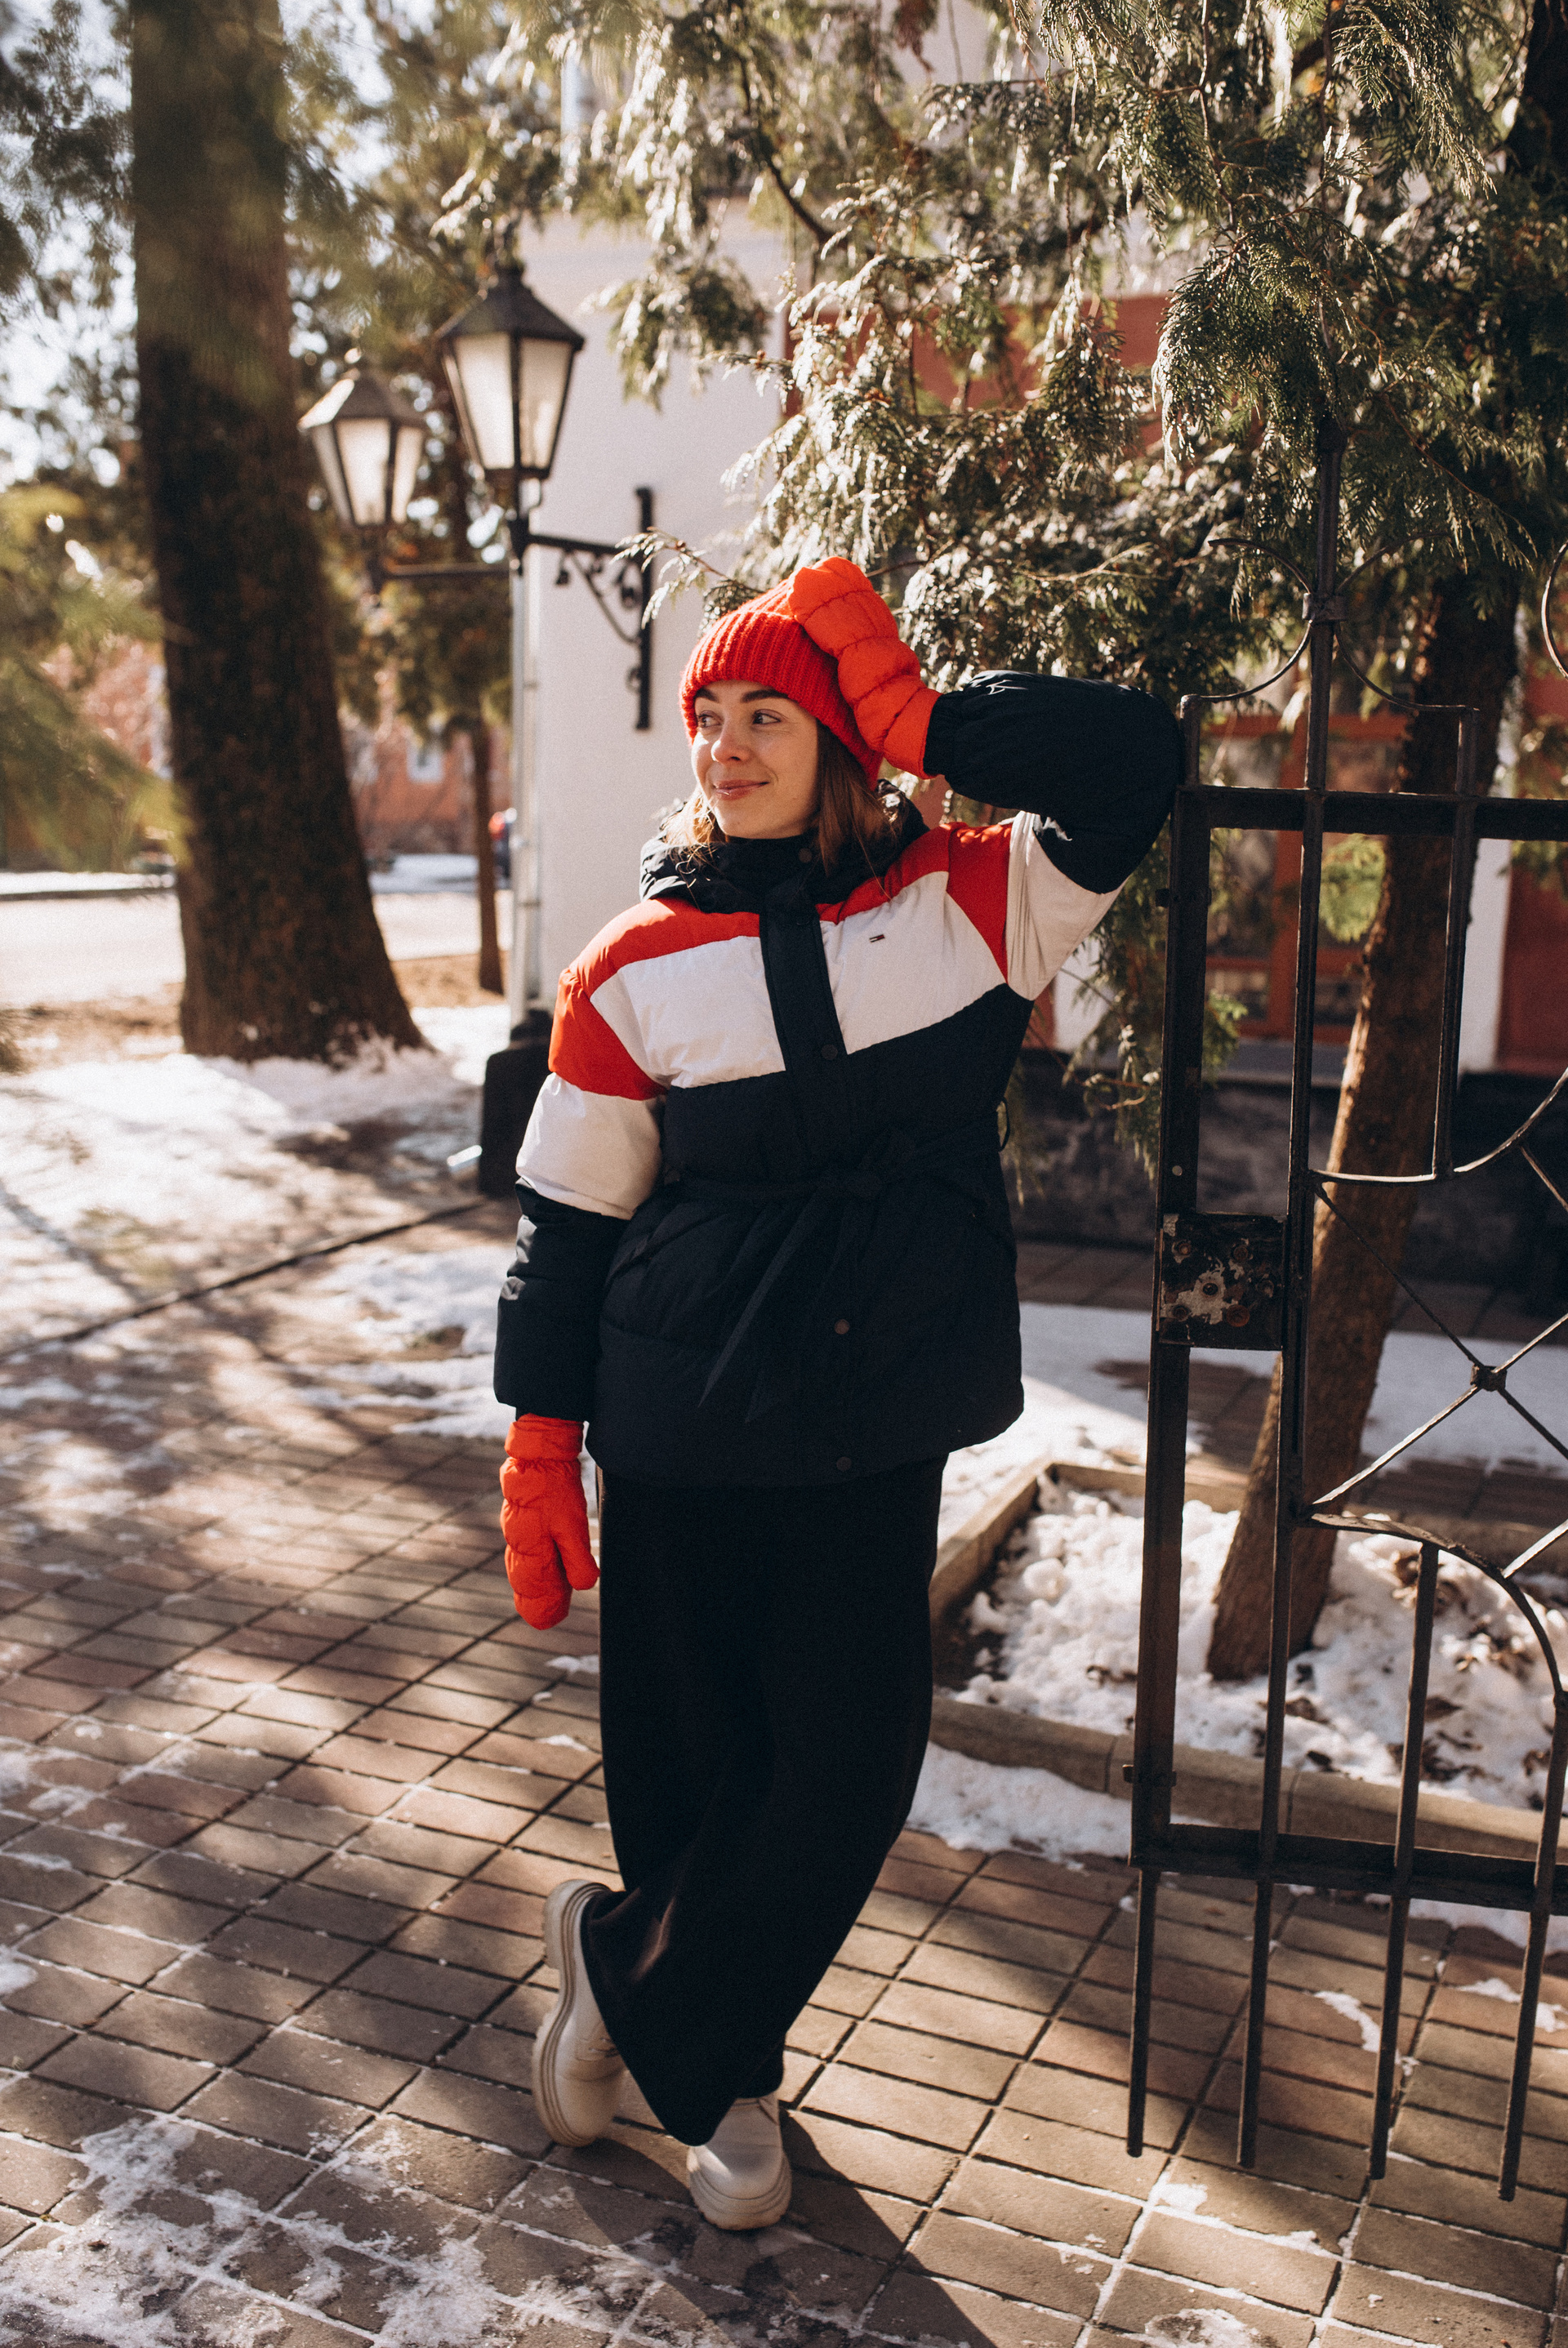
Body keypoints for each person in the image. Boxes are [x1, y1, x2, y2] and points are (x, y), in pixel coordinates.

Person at [492, 558, 1178, 2230]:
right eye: (708, 716)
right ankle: (728, 2071)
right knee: (689, 1762)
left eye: (769, 716)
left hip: (872, 1425)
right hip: (680, 1420)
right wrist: (540, 1443)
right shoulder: (631, 966)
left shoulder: (969, 904)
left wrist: (933, 716)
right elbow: (567, 1230)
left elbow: (1136, 764)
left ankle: (617, 1968)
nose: (725, 747)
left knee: (846, 1769)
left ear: (844, 741)